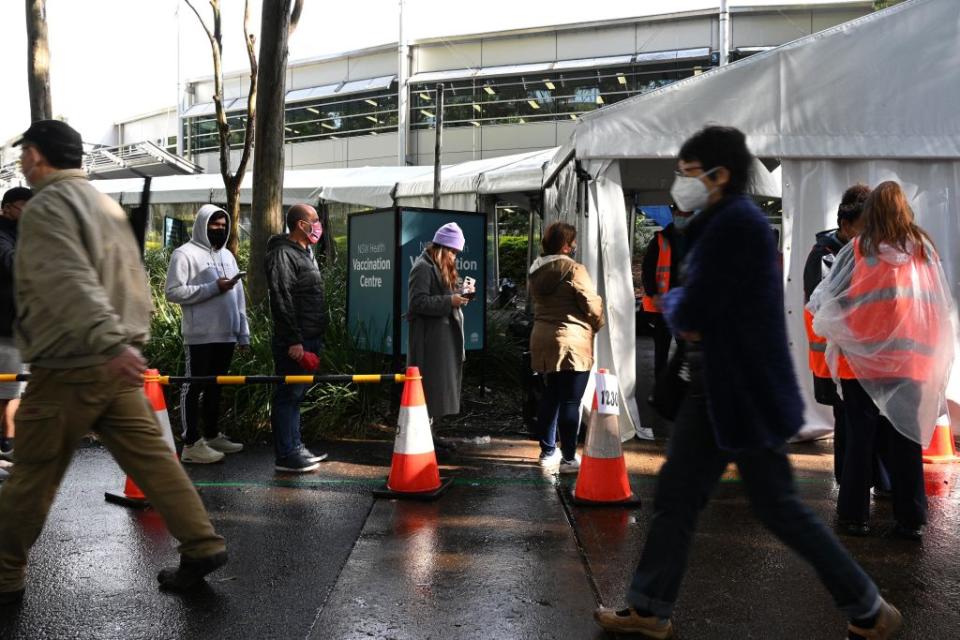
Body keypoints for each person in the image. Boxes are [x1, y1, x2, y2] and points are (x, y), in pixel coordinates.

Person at [594, 126, 900, 639]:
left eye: (689, 173)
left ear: (720, 175)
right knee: (676, 496)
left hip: (742, 393)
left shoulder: (734, 225)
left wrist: (673, 305)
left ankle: (868, 606)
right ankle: (649, 605)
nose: (681, 182)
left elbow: (698, 307)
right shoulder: (719, 221)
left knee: (777, 507)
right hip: (714, 388)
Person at [0, 120, 227, 605]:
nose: (22, 162)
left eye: (25, 154)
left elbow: (67, 281)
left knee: (32, 475)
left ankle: (4, 574)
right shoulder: (103, 204)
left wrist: (106, 342)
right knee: (154, 462)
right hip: (119, 364)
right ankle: (201, 542)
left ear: (38, 156)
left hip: (70, 365)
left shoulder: (47, 207)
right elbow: (132, 279)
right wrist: (127, 344)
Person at [809, 181, 954, 541]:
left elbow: (825, 301)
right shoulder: (924, 250)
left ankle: (854, 517)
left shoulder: (858, 249)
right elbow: (939, 307)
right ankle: (911, 519)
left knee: (860, 439)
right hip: (911, 363)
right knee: (906, 441)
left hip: (862, 364)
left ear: (871, 211)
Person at [803, 184, 891, 493]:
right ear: (845, 225)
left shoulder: (864, 252)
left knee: (871, 418)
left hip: (864, 355)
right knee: (848, 422)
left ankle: (878, 480)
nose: (871, 235)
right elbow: (824, 311)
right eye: (864, 228)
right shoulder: (824, 257)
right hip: (835, 358)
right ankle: (849, 483)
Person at [165, 204, 248, 464]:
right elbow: (173, 292)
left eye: (223, 226)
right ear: (202, 224)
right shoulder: (184, 254)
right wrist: (212, 288)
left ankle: (212, 435)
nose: (219, 230)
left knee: (216, 386)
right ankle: (191, 444)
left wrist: (243, 334)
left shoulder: (228, 256)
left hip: (227, 335)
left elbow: (239, 298)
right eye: (214, 225)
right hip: (200, 335)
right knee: (194, 386)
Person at [528, 222, 604, 472]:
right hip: (572, 342)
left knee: (551, 396)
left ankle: (547, 450)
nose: (574, 246)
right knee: (571, 401)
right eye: (572, 242)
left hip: (543, 340)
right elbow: (591, 305)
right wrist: (598, 322)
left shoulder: (535, 270)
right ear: (564, 246)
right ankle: (569, 458)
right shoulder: (574, 269)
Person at [265, 203, 329, 473]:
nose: (318, 224)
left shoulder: (306, 251)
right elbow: (282, 299)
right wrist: (294, 341)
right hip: (295, 341)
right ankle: (286, 453)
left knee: (296, 395)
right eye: (314, 220)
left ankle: (295, 446)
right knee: (288, 395)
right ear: (301, 225)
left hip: (310, 337)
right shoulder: (282, 254)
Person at [407, 222, 474, 451]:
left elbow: (439, 296)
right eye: (453, 252)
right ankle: (424, 439)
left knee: (437, 390)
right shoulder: (423, 267)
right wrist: (450, 301)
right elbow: (417, 302)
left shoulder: (436, 265)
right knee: (430, 388)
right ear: (443, 248)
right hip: (430, 340)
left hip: (442, 338)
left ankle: (431, 435)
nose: (455, 257)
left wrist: (460, 295)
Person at [0, 187, 32, 481]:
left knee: (15, 392)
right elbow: (13, 263)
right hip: (4, 330)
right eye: (26, 207)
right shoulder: (2, 235)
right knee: (5, 393)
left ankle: (8, 449)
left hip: (21, 329)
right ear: (7, 208)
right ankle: (6, 449)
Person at [641, 207, 688, 376]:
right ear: (674, 214)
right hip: (664, 304)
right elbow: (648, 269)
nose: (684, 217)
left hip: (685, 305)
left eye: (688, 214)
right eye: (681, 213)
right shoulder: (661, 239)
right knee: (662, 349)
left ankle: (679, 385)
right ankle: (660, 386)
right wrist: (653, 293)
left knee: (685, 350)